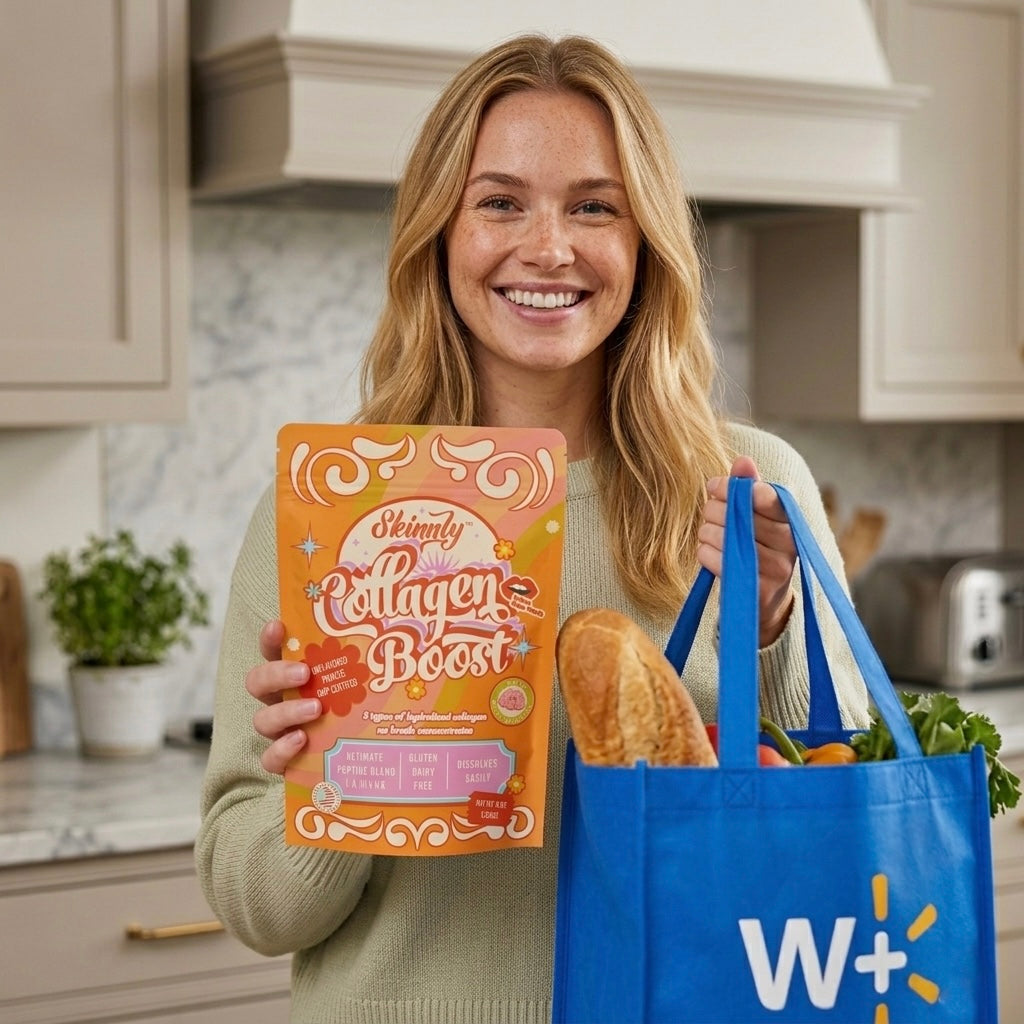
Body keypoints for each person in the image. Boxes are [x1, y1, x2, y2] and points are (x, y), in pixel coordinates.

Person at [195, 33, 870, 1024]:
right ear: (440, 231)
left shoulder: (748, 483)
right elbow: (258, 907)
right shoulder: (332, 507)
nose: (548, 246)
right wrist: (340, 779)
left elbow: (845, 831)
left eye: (593, 205)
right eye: (500, 201)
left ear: (642, 242)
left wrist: (771, 626)